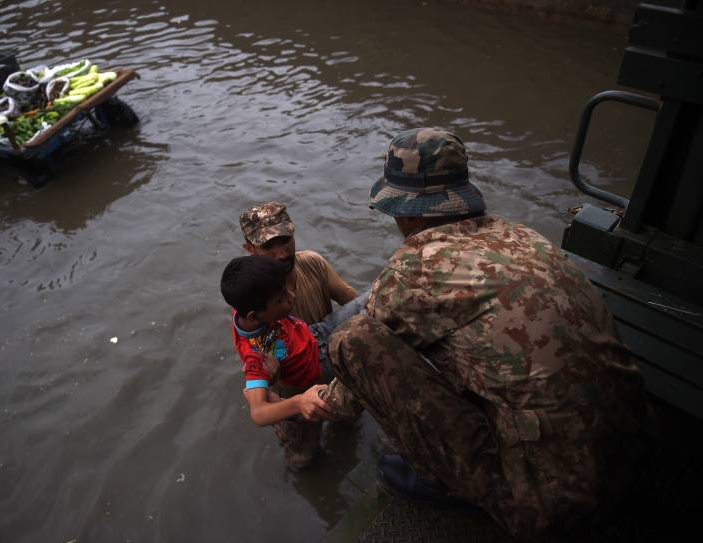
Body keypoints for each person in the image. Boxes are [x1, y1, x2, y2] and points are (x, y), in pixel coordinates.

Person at [327, 127, 655, 541]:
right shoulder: (523, 236)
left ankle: (451, 483)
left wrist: (318, 402)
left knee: (351, 338)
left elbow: (358, 372)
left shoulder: (416, 267)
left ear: (406, 212)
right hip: (637, 449)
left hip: (556, 504)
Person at [238, 202, 359, 469]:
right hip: (292, 394)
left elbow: (354, 304)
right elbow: (256, 363)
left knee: (350, 424)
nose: (282, 254)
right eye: (269, 246)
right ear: (250, 249)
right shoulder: (251, 298)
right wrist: (268, 377)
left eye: (285, 240)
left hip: (331, 370)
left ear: (294, 234)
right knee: (302, 458)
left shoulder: (313, 263)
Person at [220, 255, 363, 430]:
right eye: (281, 298)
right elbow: (258, 413)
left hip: (316, 333)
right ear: (254, 316)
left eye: (286, 289)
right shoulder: (256, 357)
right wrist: (298, 402)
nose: (292, 295)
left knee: (373, 299)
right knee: (366, 339)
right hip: (320, 364)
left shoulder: (246, 304)